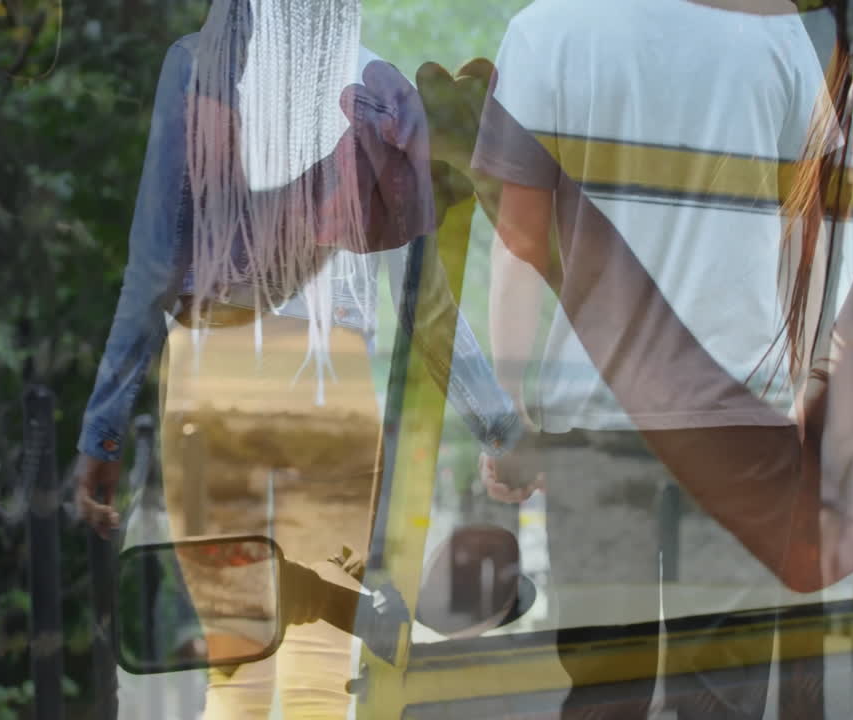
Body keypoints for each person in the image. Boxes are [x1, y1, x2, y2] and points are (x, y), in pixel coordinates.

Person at [475, 0, 853, 715]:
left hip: (595, 424)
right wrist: (793, 392)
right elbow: (804, 243)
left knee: (603, 689)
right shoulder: (776, 38)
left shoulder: (546, 30)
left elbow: (519, 244)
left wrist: (512, 411)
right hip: (742, 429)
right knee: (722, 695)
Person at [72, 1, 523, 717]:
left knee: (237, 662)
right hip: (329, 387)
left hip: (215, 377)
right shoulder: (380, 85)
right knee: (318, 668)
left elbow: (154, 266)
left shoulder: (198, 67)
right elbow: (425, 300)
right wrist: (501, 426)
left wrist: (103, 429)